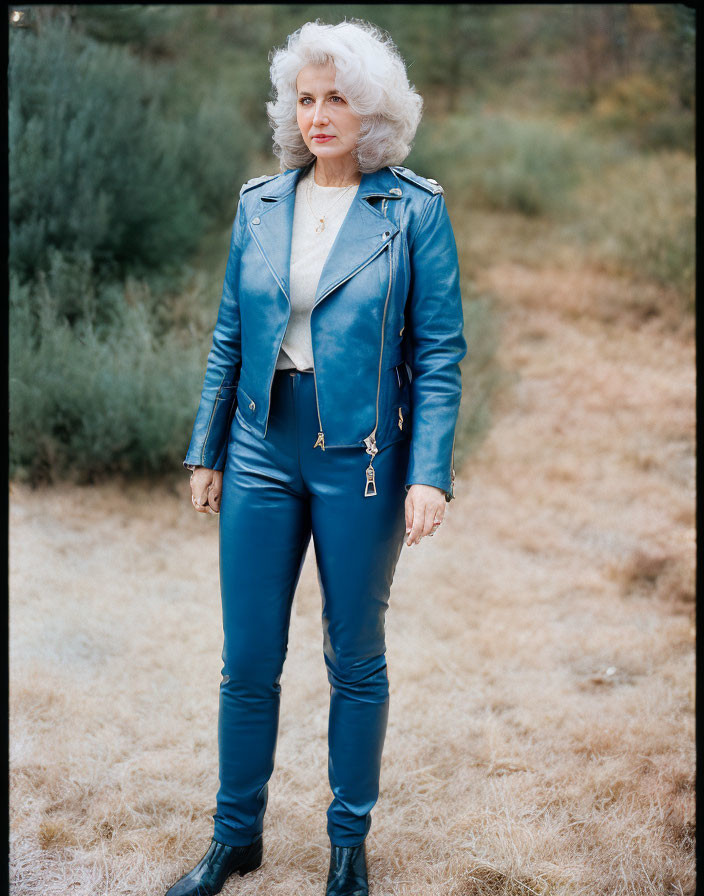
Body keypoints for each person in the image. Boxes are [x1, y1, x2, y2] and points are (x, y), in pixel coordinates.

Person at [165, 18, 467, 896]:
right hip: (261, 446)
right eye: (306, 98)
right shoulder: (260, 203)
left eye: (337, 97)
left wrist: (430, 472)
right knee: (248, 657)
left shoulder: (414, 208)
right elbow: (230, 335)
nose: (319, 114)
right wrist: (207, 448)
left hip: (362, 459)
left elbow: (439, 351)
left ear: (371, 110)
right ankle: (235, 838)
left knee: (354, 657)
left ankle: (347, 847)